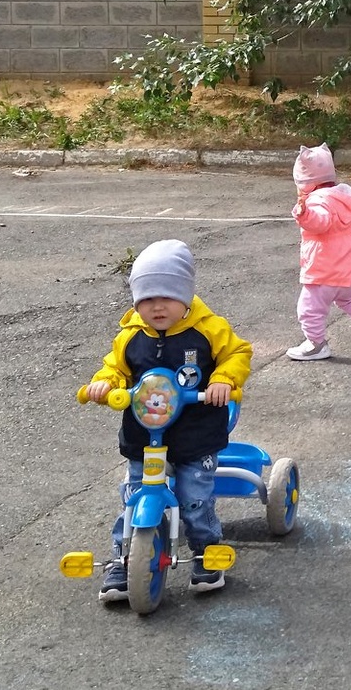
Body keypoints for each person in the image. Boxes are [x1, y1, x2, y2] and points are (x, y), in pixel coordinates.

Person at [84, 239, 253, 603]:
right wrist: (103, 383)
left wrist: (224, 380)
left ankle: (208, 553)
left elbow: (238, 353)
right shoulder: (130, 336)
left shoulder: (208, 329)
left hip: (195, 432)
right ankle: (123, 558)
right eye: (146, 298)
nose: (157, 306)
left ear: (186, 296)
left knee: (195, 497)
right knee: (132, 497)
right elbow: (115, 368)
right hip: (144, 434)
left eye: (167, 296)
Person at [286, 143, 351, 360]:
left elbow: (320, 222)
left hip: (325, 267)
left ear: (306, 182)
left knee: (310, 308)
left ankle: (316, 344)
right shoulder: (341, 196)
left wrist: (304, 214)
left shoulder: (317, 200)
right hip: (347, 265)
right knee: (350, 297)